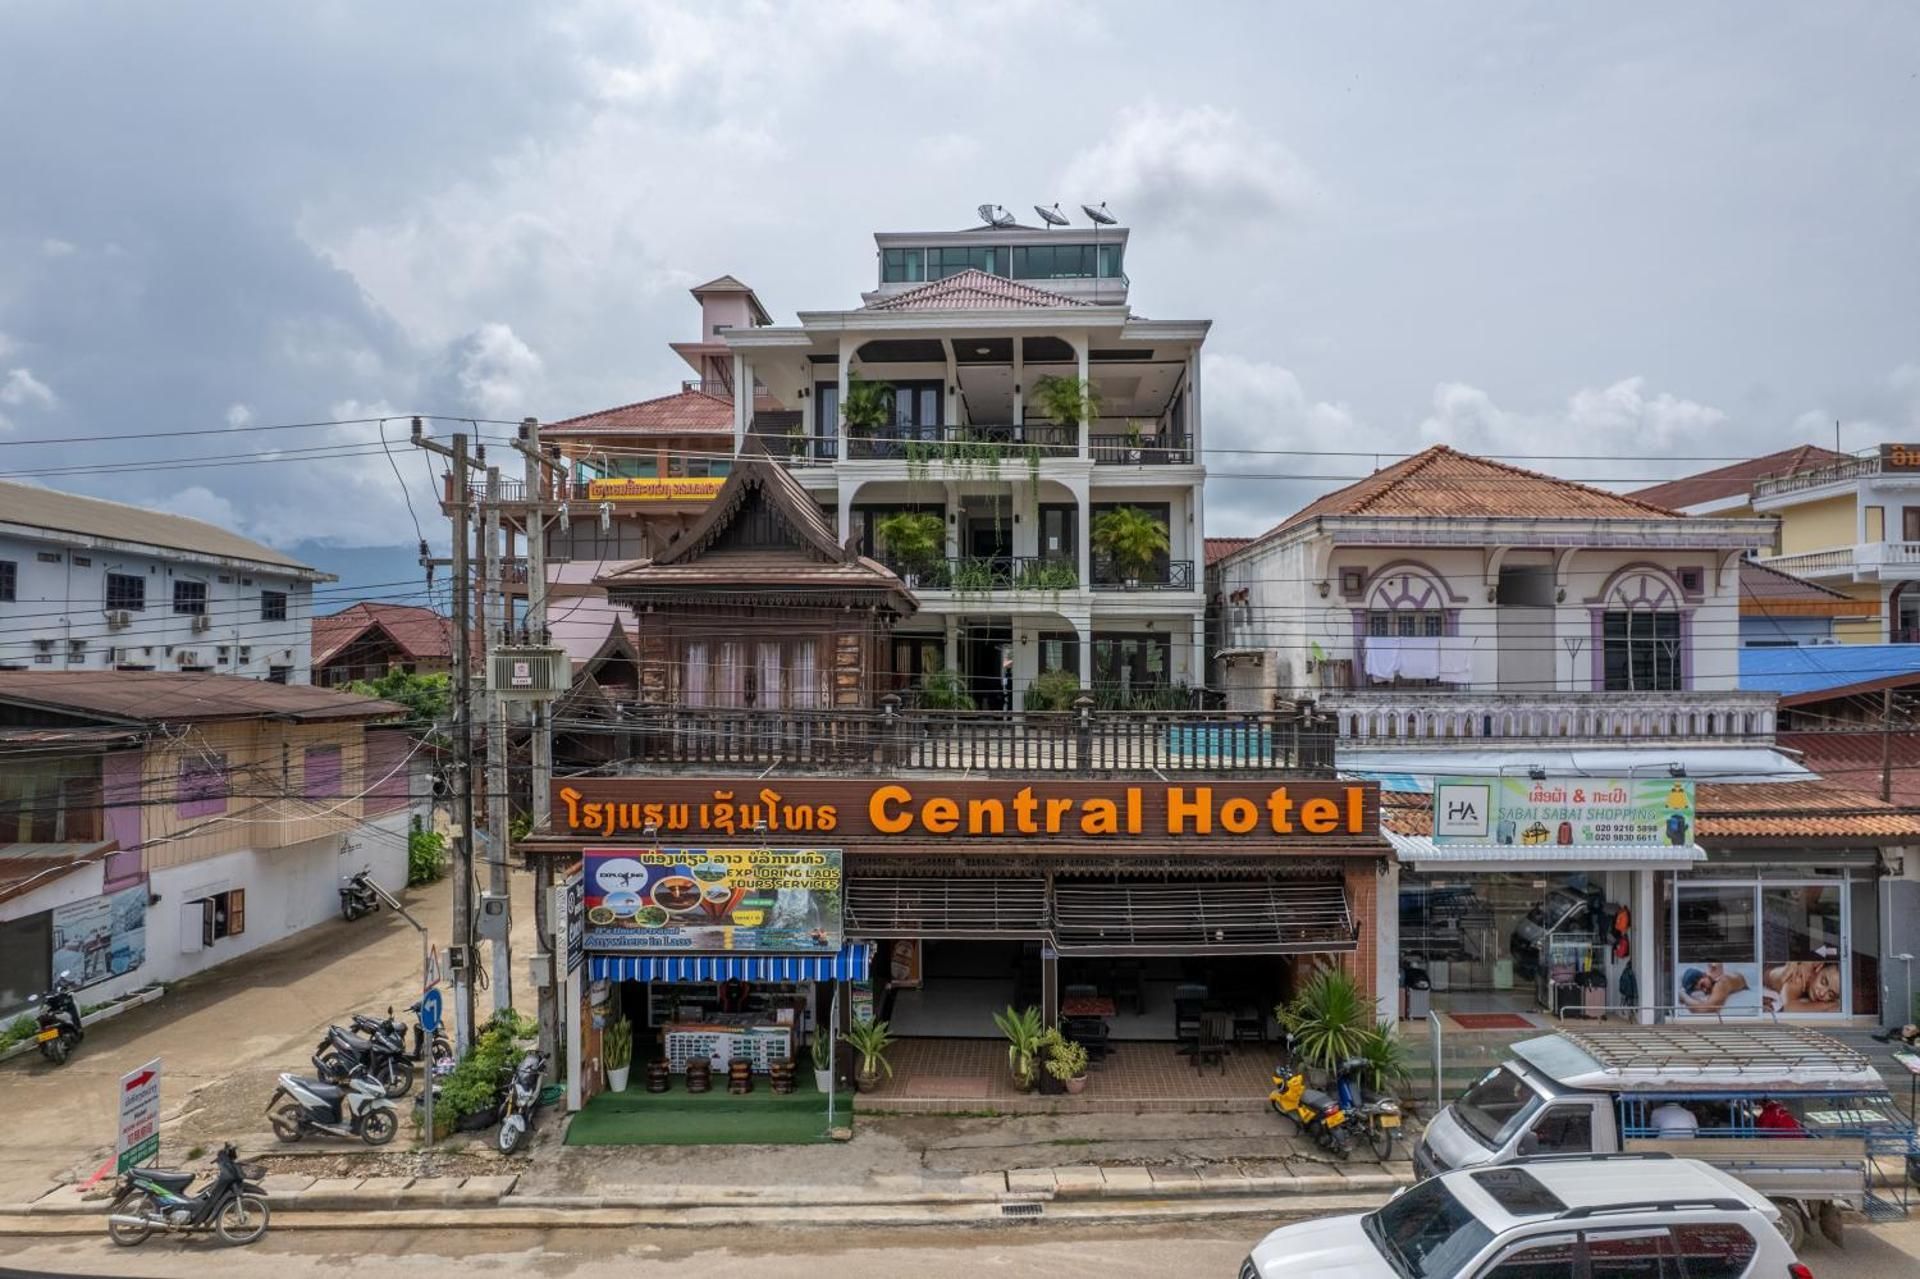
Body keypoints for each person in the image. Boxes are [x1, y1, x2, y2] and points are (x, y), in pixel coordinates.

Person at [1679, 962, 1750, 1012]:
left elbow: (1706, 1009)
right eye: (1701, 990)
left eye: (1702, 985)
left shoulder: (1721, 983)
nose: (1705, 990)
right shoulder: (1718, 980)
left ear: (1704, 975)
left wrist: (1683, 995)